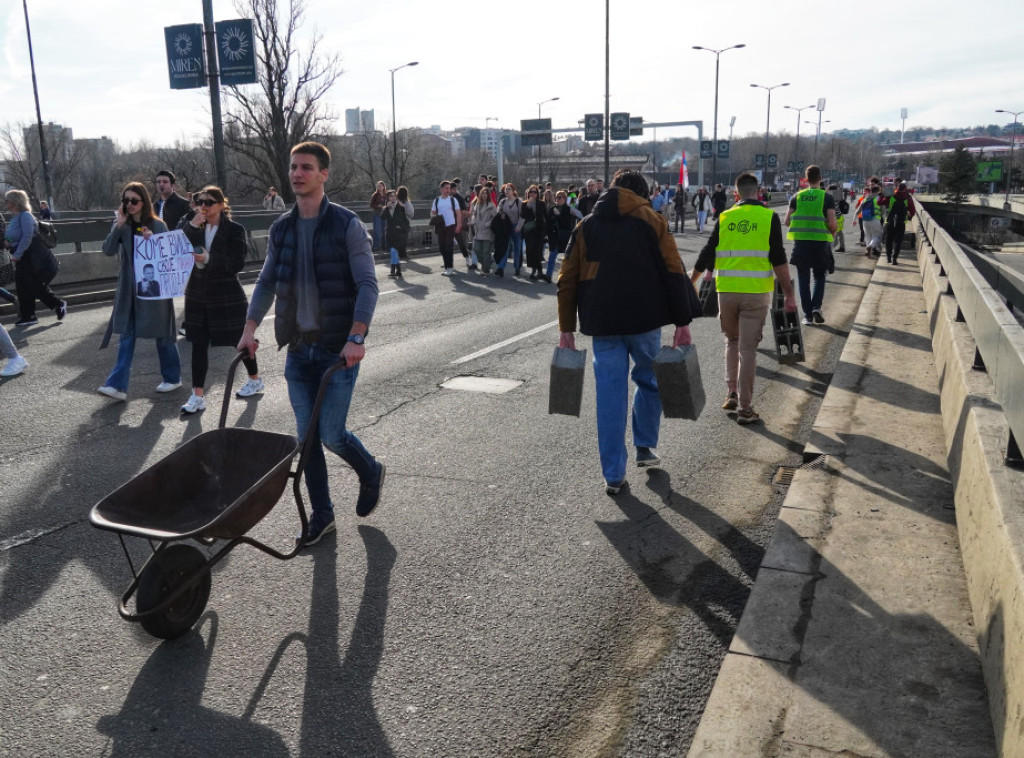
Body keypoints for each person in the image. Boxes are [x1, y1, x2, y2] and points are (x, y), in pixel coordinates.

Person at [239, 141, 385, 546]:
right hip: (299, 350)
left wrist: (356, 337)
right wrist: (250, 329)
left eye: (306, 167)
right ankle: (322, 515)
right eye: (293, 167)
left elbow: (367, 284)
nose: (297, 174)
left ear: (324, 175)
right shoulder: (282, 228)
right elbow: (267, 281)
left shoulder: (346, 225)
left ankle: (370, 470)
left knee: (332, 435)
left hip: (337, 352)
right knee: (306, 440)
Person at [557, 168, 703, 495]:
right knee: (651, 381)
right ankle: (645, 446)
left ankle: (613, 474)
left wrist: (566, 329)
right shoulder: (652, 221)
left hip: (603, 325)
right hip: (645, 322)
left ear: (612, 190)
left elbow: (566, 281)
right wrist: (682, 323)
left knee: (610, 396)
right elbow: (674, 272)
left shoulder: (586, 226)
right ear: (642, 194)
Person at [691, 172, 797, 425]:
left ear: (735, 194)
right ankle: (746, 408)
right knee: (748, 350)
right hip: (756, 293)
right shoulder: (768, 216)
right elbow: (779, 258)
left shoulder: (726, 217)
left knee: (731, 341)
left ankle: (731, 393)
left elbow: (708, 251)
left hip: (725, 291)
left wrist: (692, 280)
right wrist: (789, 294)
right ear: (758, 192)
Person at [180, 185, 264, 413]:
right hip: (198, 294)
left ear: (221, 205)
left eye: (209, 202)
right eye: (200, 202)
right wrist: (191, 226)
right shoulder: (192, 223)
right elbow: (176, 247)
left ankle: (254, 378)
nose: (203, 207)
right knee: (198, 343)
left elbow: (236, 263)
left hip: (226, 294)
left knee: (241, 341)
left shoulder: (235, 229)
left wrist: (209, 258)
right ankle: (197, 395)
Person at [97, 182, 181, 402]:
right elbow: (107, 250)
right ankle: (117, 385)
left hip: (153, 289)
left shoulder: (158, 225)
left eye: (134, 200)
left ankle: (173, 377)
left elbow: (168, 256)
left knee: (163, 333)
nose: (130, 204)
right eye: (126, 200)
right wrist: (119, 225)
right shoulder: (122, 225)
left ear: (144, 201)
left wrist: (152, 241)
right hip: (129, 289)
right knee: (127, 334)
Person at [4, 189, 66, 328]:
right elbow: (10, 235)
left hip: (29, 255)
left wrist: (17, 254)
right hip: (19, 255)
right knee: (22, 286)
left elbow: (27, 237)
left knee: (34, 284)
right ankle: (28, 315)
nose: (6, 203)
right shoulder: (15, 217)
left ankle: (57, 304)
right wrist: (8, 241)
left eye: (7, 200)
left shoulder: (26, 216)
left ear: (15, 201)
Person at [785, 164, 838, 326]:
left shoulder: (797, 197)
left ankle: (807, 315)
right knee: (819, 277)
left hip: (801, 244)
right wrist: (831, 233)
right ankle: (816, 307)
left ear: (806, 180)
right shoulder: (827, 197)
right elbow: (833, 224)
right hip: (820, 244)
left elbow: (787, 221)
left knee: (803, 279)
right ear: (820, 178)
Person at [430, 180, 462, 277]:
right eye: (446, 188)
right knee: (442, 247)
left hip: (450, 225)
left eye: (449, 188)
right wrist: (433, 218)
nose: (448, 190)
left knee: (449, 247)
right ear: (441, 189)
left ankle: (450, 267)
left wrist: (458, 225)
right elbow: (433, 212)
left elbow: (458, 213)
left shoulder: (453, 200)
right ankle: (446, 267)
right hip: (440, 226)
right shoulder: (437, 200)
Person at [545, 190, 575, 283]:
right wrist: (547, 235)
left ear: (565, 199)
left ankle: (567, 276)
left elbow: (567, 223)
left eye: (560, 197)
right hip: (554, 236)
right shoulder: (552, 209)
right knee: (552, 256)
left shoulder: (568, 209)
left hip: (564, 236)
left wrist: (559, 215)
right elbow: (548, 223)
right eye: (557, 197)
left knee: (567, 258)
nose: (558, 199)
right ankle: (548, 275)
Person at [495, 183, 524, 277]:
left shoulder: (518, 202)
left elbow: (522, 216)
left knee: (517, 248)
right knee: (505, 247)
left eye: (509, 189)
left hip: (516, 227)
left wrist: (519, 226)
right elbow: (498, 212)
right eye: (505, 190)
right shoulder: (502, 202)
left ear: (513, 191)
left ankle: (517, 268)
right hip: (506, 227)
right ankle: (500, 268)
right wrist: (501, 214)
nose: (507, 191)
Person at [884, 181, 916, 265]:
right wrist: (909, 217)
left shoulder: (891, 195)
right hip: (901, 222)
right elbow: (913, 210)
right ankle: (894, 258)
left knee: (889, 240)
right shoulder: (908, 197)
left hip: (890, 221)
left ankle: (888, 258)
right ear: (905, 189)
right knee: (898, 241)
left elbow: (880, 202)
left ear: (897, 188)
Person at [469, 186, 498, 275]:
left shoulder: (491, 205)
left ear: (488, 195)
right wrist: (472, 222)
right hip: (478, 231)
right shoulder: (477, 204)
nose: (484, 195)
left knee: (486, 251)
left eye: (486, 193)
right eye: (483, 193)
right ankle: (486, 263)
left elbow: (495, 218)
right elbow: (474, 215)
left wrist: (487, 224)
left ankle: (486, 269)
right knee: (477, 249)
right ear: (480, 194)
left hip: (487, 231)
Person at [385, 187, 414, 278]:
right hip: (394, 231)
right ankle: (398, 270)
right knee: (394, 250)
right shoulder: (396, 205)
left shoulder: (400, 205)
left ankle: (394, 270)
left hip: (399, 230)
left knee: (394, 250)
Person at [521, 184, 547, 280]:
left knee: (537, 250)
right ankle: (534, 269)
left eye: (534, 192)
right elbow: (522, 216)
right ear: (528, 193)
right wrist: (528, 206)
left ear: (537, 193)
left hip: (539, 230)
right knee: (530, 250)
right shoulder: (524, 204)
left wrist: (546, 231)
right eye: (530, 192)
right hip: (529, 230)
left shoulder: (541, 203)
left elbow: (546, 216)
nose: (532, 194)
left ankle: (538, 270)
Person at [859, 185, 884, 258]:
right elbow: (883, 210)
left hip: (865, 220)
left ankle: (868, 251)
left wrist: (854, 219)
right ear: (878, 191)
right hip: (875, 219)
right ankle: (870, 246)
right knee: (877, 236)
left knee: (868, 236)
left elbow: (858, 210)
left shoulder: (866, 198)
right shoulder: (879, 199)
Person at [369, 180, 387, 252]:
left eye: (380, 186)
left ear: (383, 187)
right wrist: (377, 205)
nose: (379, 187)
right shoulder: (375, 195)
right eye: (378, 186)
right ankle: (376, 246)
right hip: (377, 214)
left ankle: (384, 246)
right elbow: (371, 204)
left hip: (384, 214)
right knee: (377, 230)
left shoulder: (386, 194)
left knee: (384, 230)